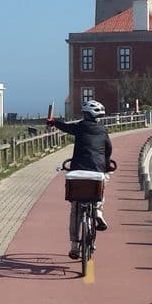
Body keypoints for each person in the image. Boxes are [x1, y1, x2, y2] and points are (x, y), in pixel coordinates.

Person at [48, 100, 113, 259]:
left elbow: (66, 127)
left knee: (75, 210)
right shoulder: (103, 131)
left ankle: (74, 246)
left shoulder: (80, 127)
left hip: (77, 171)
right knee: (101, 186)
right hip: (97, 171)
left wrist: (53, 122)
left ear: (85, 115)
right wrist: (106, 165)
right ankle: (97, 210)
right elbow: (108, 150)